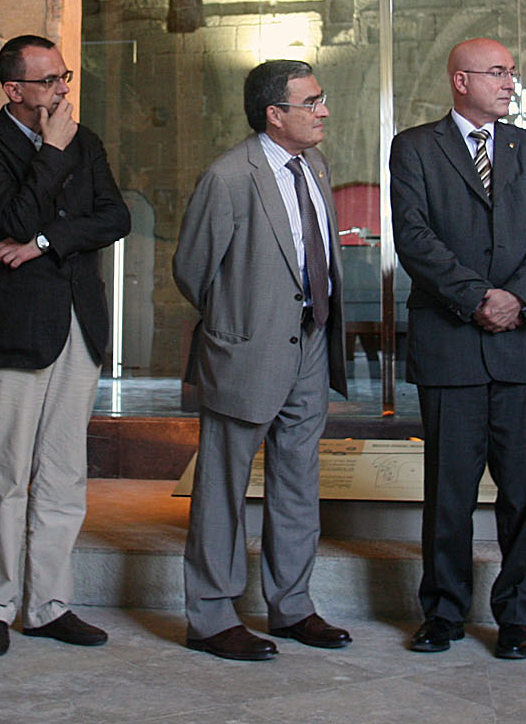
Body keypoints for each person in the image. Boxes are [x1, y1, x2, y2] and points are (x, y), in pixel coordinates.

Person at [388, 38, 526, 661]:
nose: (510, 83)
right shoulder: (415, 147)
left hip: (524, 342)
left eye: (512, 72)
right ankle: (443, 613)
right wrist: (476, 299)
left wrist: (516, 298)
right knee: (449, 493)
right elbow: (413, 236)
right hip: (451, 345)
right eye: (497, 72)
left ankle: (516, 617)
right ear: (460, 80)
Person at [0, 35, 131, 657]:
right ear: (14, 90)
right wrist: (52, 152)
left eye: (65, 76)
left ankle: (48, 605)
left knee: (63, 473)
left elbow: (115, 218)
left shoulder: (87, 141)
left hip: (79, 324)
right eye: (49, 80)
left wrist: (44, 244)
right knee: (7, 474)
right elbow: (10, 218)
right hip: (15, 330)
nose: (62, 89)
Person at [174, 59, 350, 660]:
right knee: (222, 487)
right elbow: (192, 270)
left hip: (311, 345)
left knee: (297, 479)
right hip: (246, 351)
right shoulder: (228, 177)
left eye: (321, 99)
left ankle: (292, 606)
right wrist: (240, 323)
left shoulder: (317, 166)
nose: (324, 111)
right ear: (275, 114)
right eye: (312, 102)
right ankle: (211, 617)